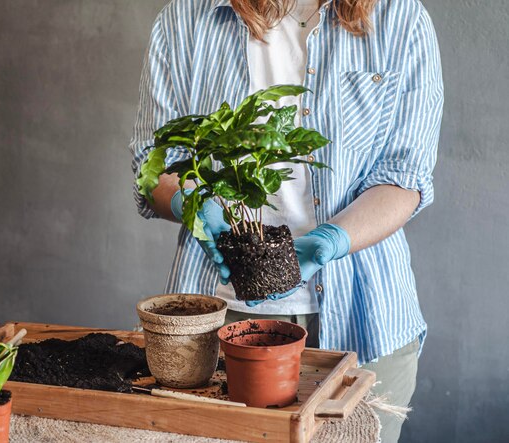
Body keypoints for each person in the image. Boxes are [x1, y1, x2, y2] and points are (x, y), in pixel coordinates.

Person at [129, 0, 443, 441]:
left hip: (365, 322)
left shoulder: (399, 17)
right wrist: (195, 206)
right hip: (215, 321)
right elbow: (154, 164)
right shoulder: (187, 18)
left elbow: (404, 177)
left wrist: (333, 239)